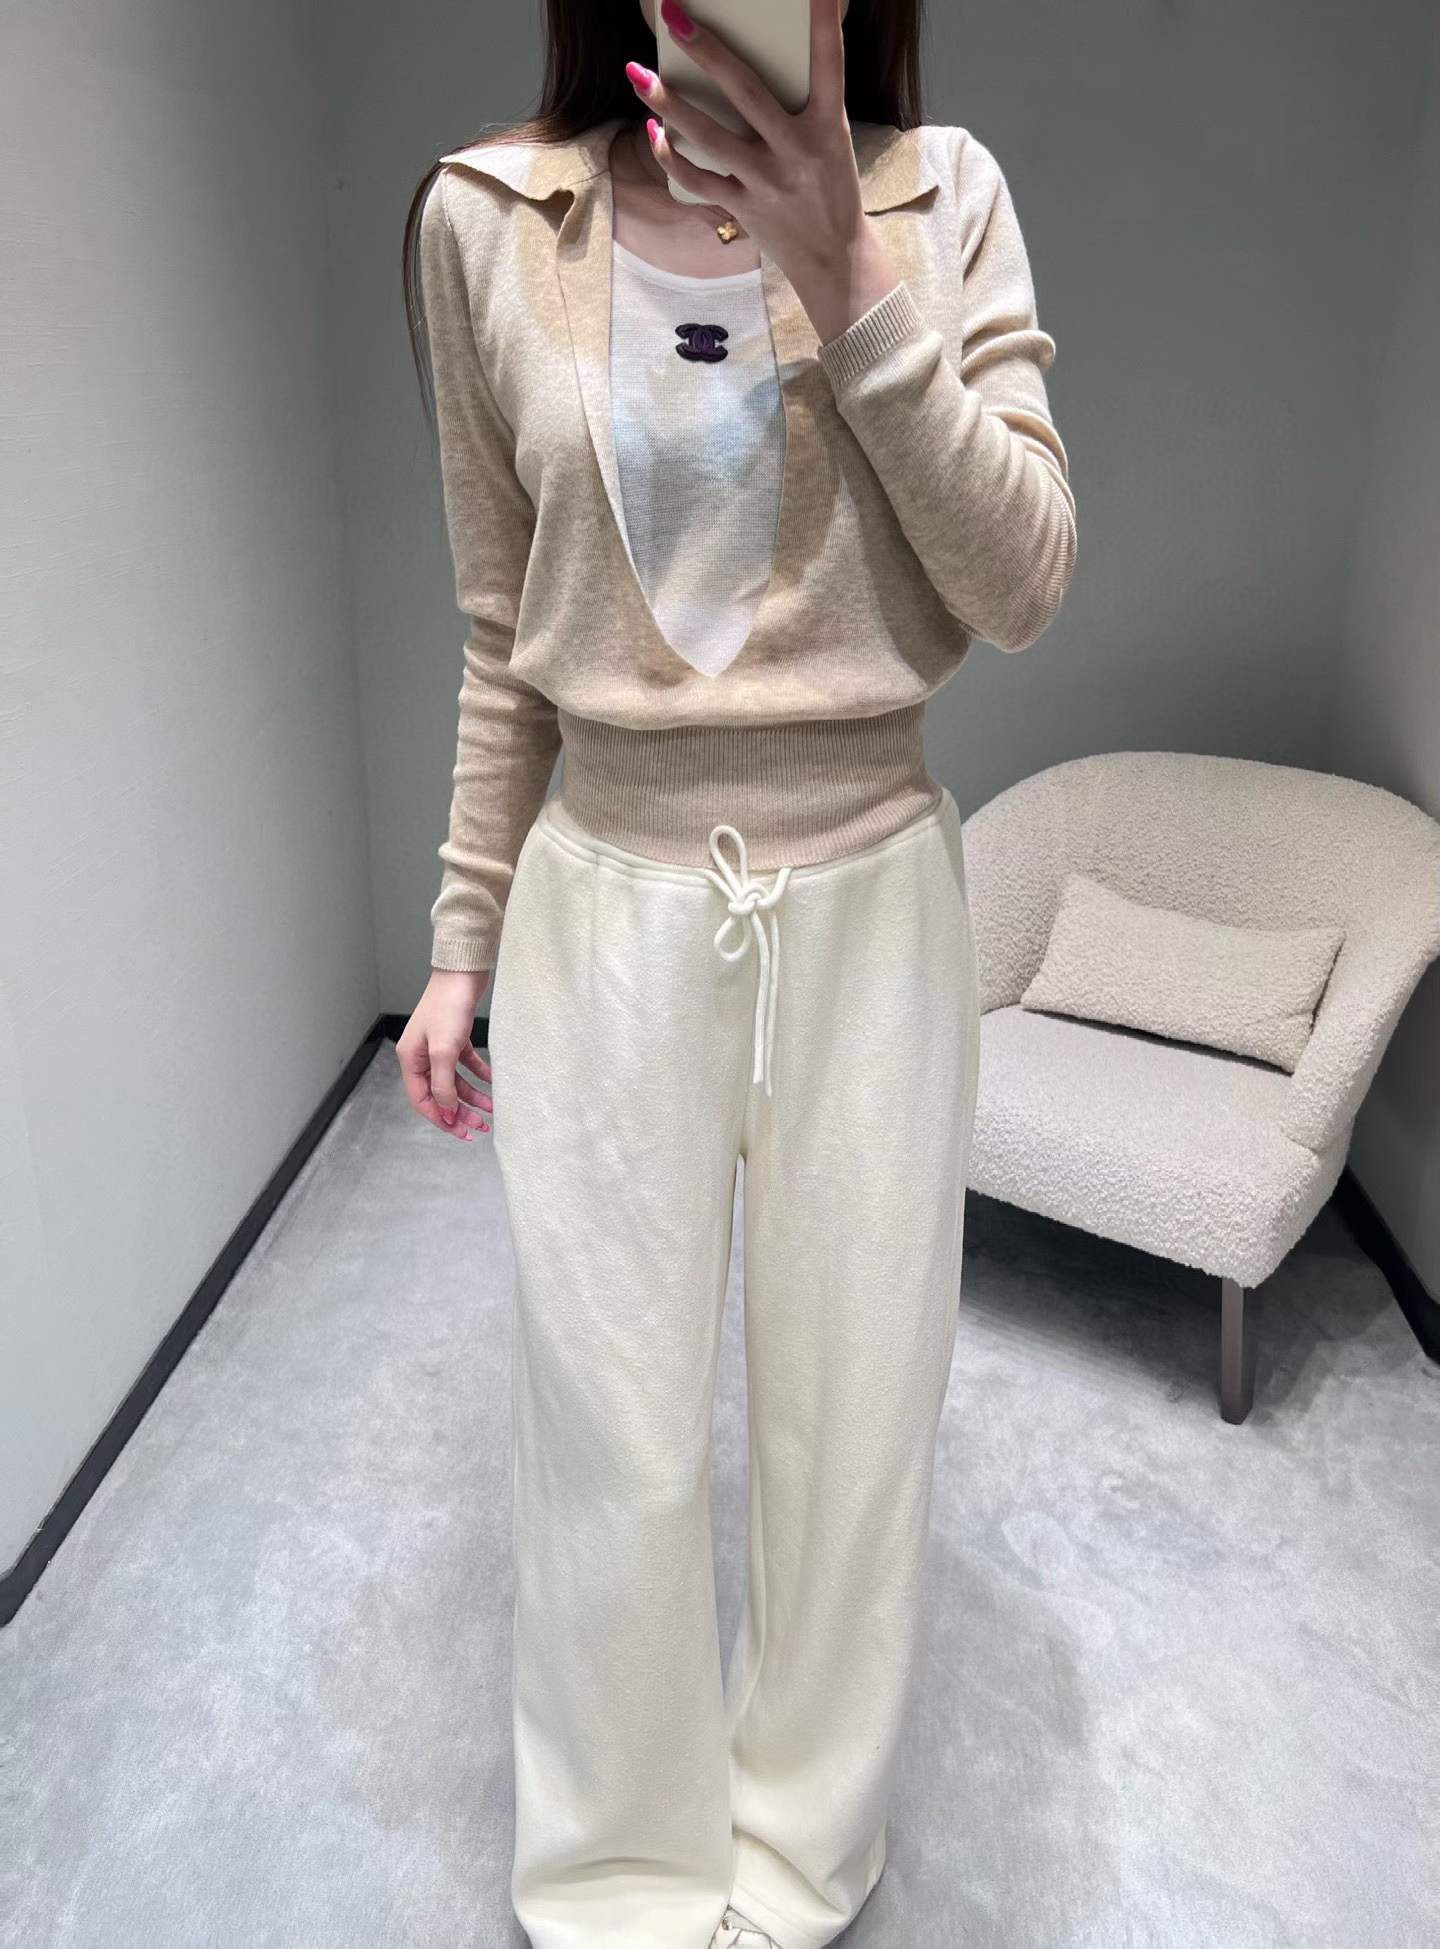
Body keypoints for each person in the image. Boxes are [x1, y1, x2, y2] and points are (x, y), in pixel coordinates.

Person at [396, 1, 1076, 1942]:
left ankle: (797, 1853)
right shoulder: (487, 221)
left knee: (855, 1431)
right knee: (606, 1430)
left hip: (872, 904)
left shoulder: (943, 200)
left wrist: (847, 276)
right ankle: (618, 1872)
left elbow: (1024, 582)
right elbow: (498, 626)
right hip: (603, 903)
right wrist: (459, 938)